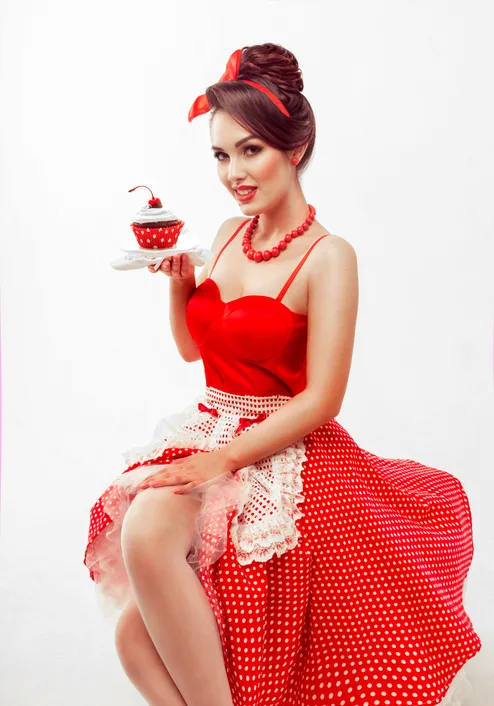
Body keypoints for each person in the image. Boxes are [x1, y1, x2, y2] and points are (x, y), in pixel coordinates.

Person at [84, 43, 482, 706]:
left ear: (293, 150)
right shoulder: (228, 236)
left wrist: (225, 462)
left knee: (149, 532)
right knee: (134, 639)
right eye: (220, 155)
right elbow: (194, 350)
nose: (234, 173)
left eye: (251, 151)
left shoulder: (330, 258)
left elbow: (324, 398)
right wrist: (180, 289)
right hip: (210, 425)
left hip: (285, 445)